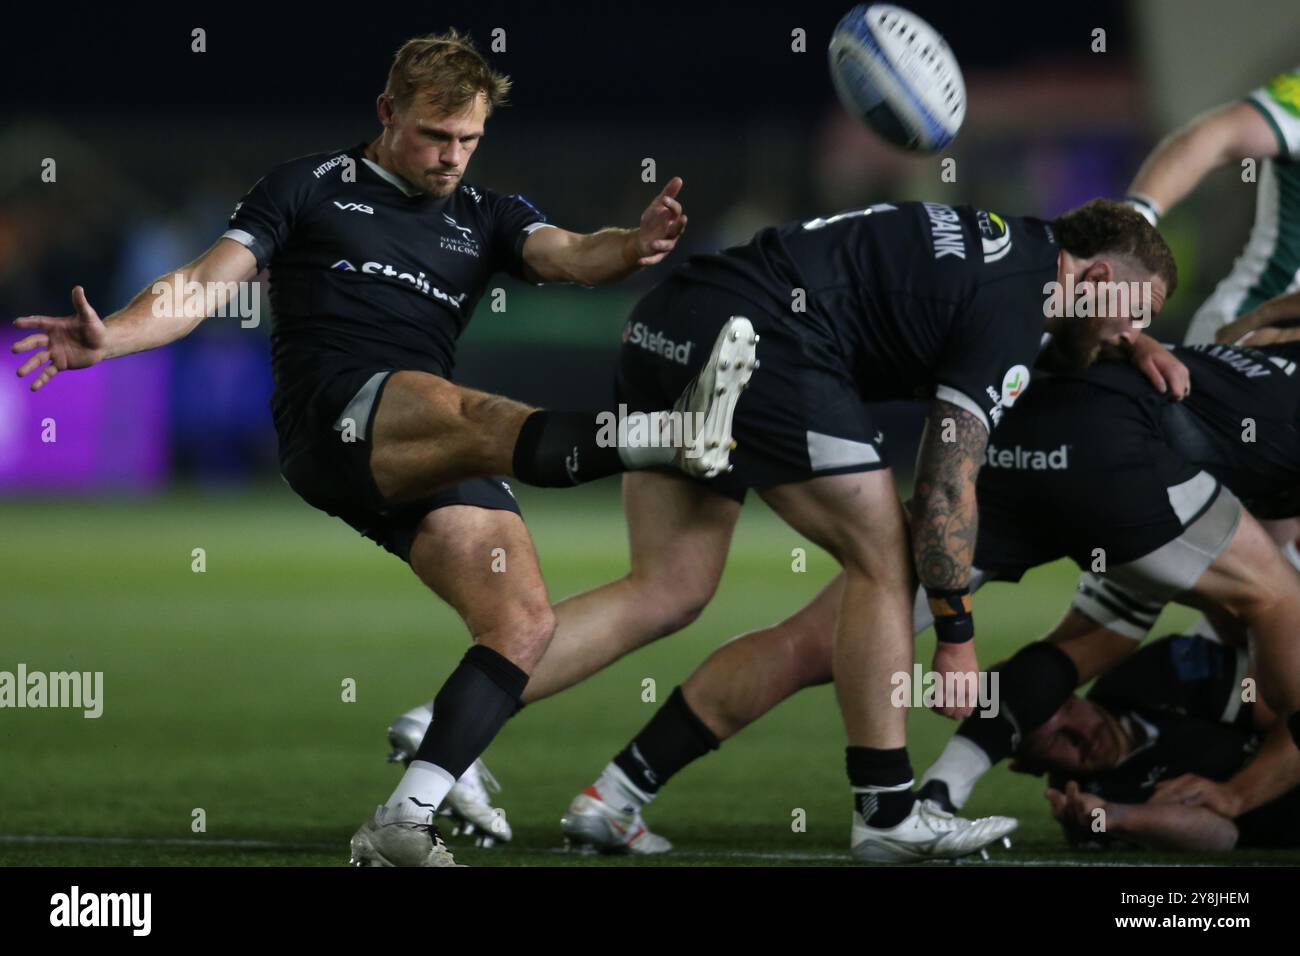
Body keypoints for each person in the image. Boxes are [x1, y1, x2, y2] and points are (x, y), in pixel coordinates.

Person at [9, 30, 754, 868]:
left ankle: (403, 819)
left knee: (523, 622)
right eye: (436, 136)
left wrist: (633, 243)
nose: (452, 158)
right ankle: (663, 437)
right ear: (387, 112)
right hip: (335, 416)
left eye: (469, 140)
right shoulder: (308, 187)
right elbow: (204, 283)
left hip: (418, 447)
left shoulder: (487, 213)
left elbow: (572, 255)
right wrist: (116, 337)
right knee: (472, 411)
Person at [390, 197, 1184, 861]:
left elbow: (1042, 320)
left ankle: (447, 720)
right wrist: (956, 634)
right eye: (1134, 317)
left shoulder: (1018, 252)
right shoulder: (1020, 303)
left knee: (667, 589)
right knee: (890, 560)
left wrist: (1132, 338)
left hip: (671, 321)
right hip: (762, 345)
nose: (1129, 337)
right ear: (1098, 278)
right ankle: (886, 815)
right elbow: (945, 481)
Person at [548, 339, 1300, 854]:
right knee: (1273, 622)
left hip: (1035, 431)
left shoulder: (1237, 351)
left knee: (815, 641)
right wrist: (1236, 796)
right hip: (1131, 470)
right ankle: (932, 799)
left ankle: (616, 791)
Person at [1026, 633, 1300, 853]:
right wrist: (1118, 817)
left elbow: (1294, 711)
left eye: (1069, 708)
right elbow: (1221, 835)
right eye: (1054, 740)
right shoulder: (1080, 801)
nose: (1081, 733)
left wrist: (1235, 794)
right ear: (1029, 765)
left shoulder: (1165, 668)